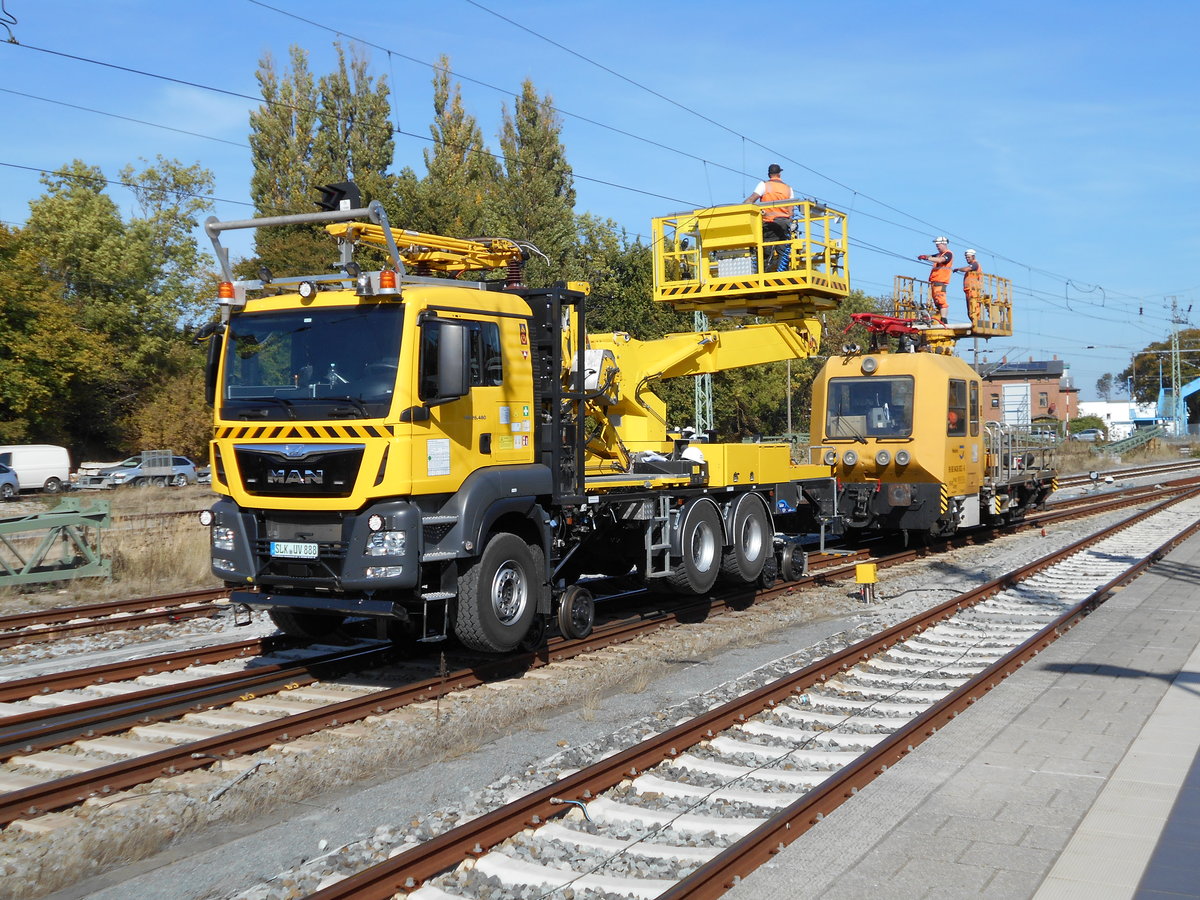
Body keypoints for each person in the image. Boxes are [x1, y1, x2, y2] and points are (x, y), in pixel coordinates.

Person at [745, 164, 793, 271]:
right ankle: (782, 274)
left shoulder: (764, 185)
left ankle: (763, 274)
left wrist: (740, 207)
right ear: (779, 174)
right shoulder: (788, 189)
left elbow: (751, 199)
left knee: (764, 251)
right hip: (783, 224)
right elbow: (791, 211)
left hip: (768, 224)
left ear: (769, 174)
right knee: (783, 251)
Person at [918, 236, 953, 323]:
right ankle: (939, 318)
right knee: (936, 301)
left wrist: (927, 258)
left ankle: (944, 319)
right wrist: (924, 256)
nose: (937, 247)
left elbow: (940, 260)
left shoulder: (948, 254)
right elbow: (932, 256)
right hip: (935, 281)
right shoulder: (939, 254)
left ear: (944, 244)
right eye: (936, 245)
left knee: (941, 300)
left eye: (938, 245)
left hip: (941, 281)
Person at [954, 248, 982, 322]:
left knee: (974, 308)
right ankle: (974, 321)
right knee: (970, 309)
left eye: (968, 257)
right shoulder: (971, 266)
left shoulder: (975, 264)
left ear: (973, 257)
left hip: (973, 290)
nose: (967, 259)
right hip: (968, 290)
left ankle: (977, 321)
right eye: (966, 257)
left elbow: (966, 269)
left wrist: (959, 269)